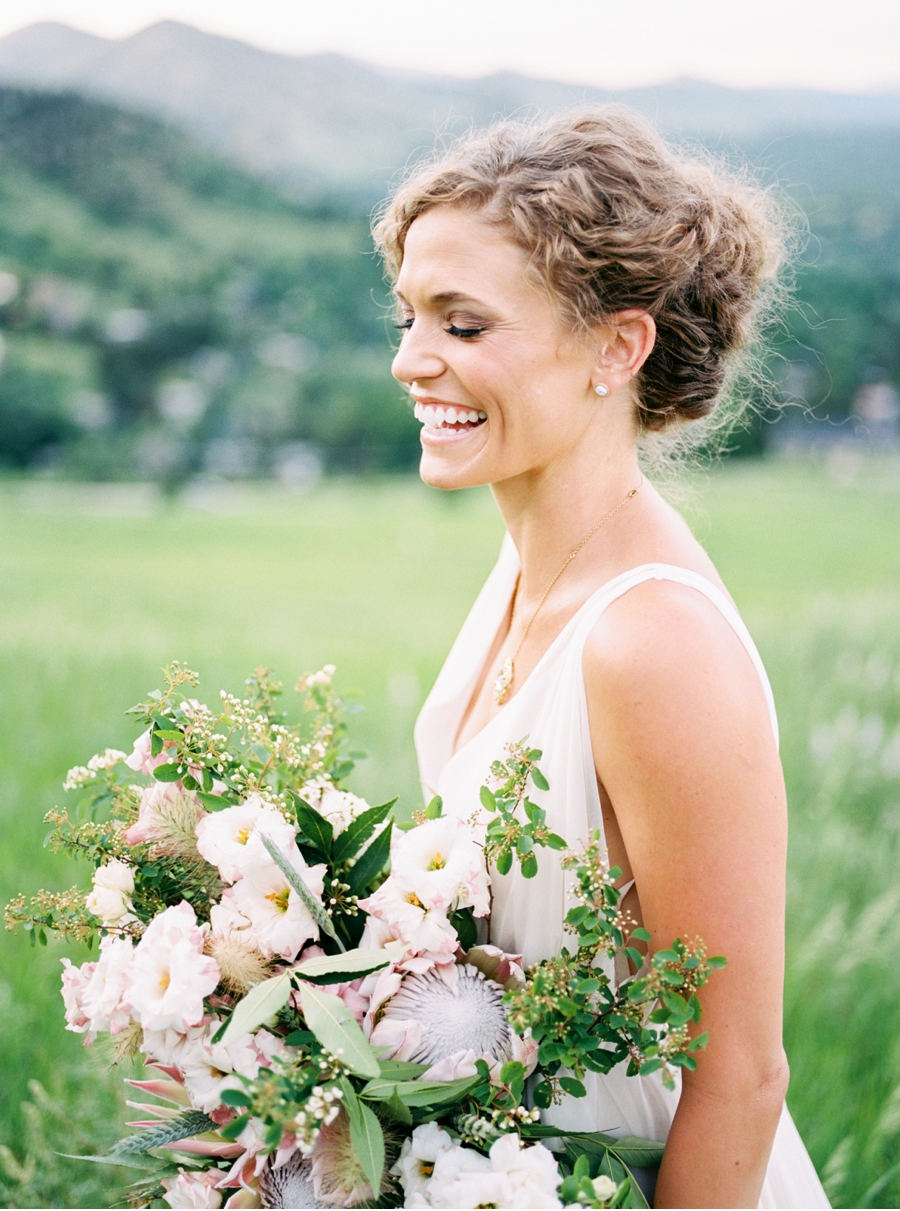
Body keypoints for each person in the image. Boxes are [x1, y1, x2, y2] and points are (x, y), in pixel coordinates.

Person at [374, 110, 829, 1209]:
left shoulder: (651, 643)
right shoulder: (524, 569)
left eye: (464, 325)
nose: (410, 359)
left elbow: (741, 1068)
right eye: (407, 315)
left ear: (617, 348)